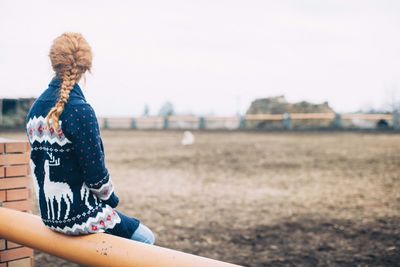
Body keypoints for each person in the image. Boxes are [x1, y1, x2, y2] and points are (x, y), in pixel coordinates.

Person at [26, 32, 155, 245]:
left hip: (49, 216)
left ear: (53, 63)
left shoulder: (34, 110)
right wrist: (112, 200)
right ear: (86, 66)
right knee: (146, 238)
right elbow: (96, 177)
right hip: (79, 217)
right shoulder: (80, 110)